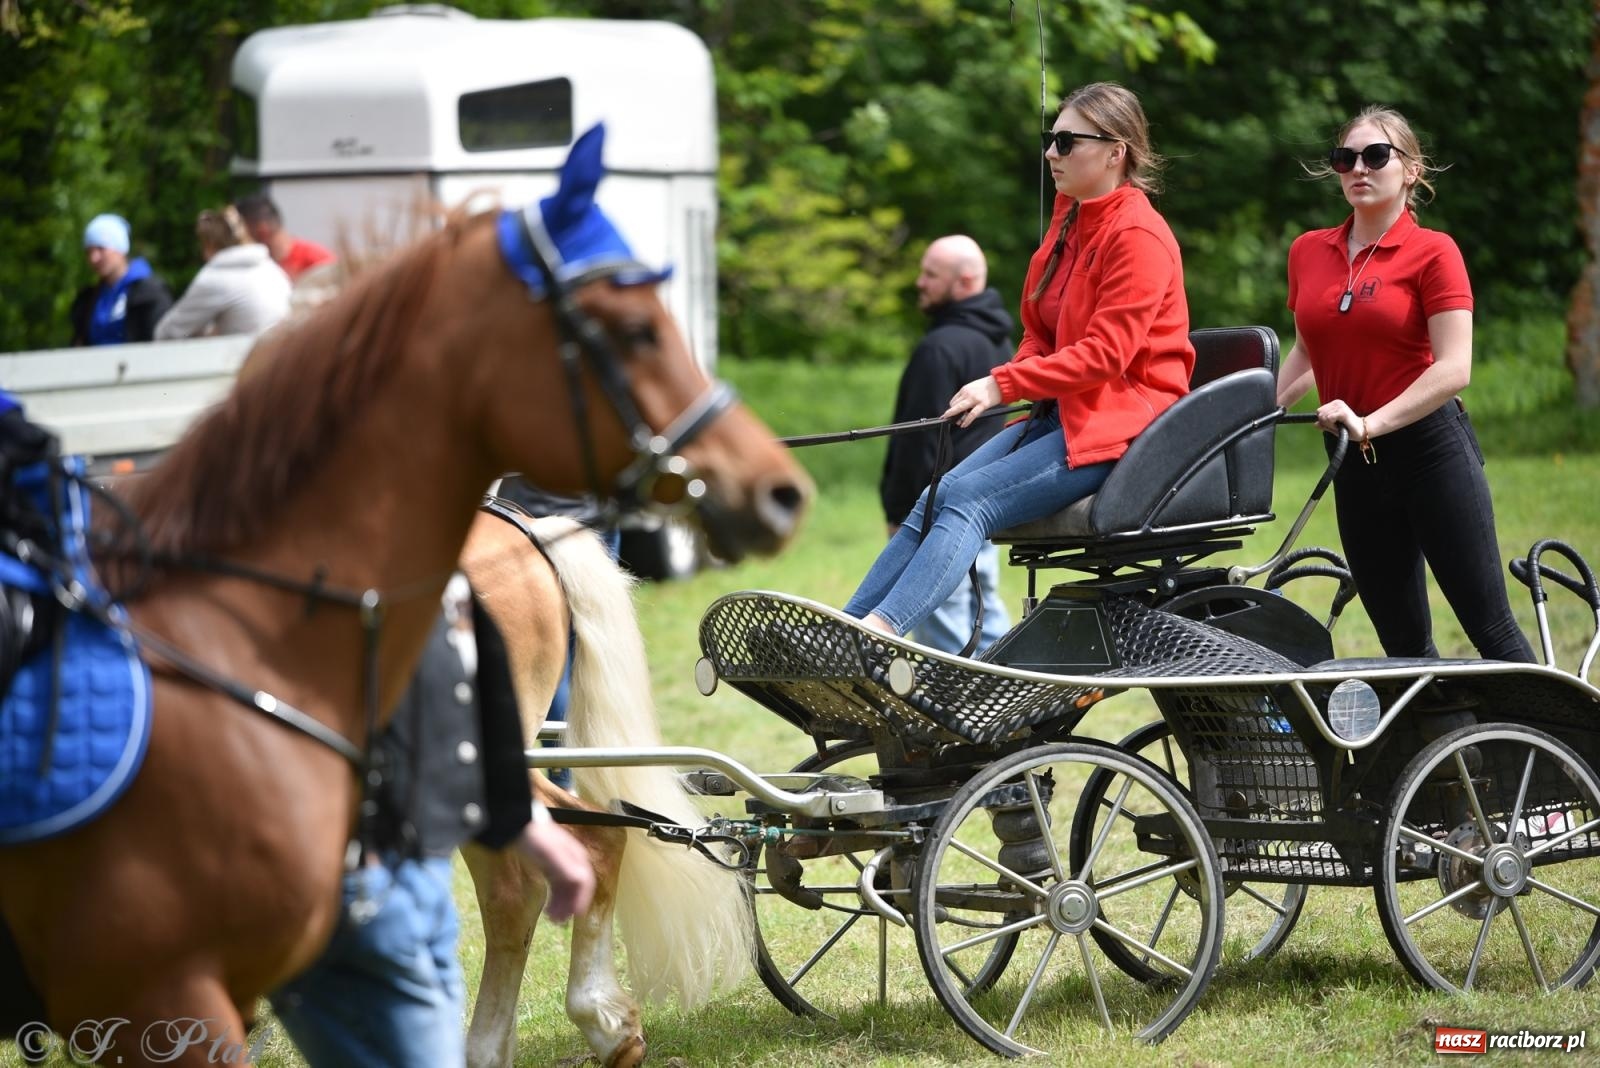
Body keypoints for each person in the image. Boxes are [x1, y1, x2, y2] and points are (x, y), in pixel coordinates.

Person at [844, 82, 1193, 640]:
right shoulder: (1067, 225)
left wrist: (1000, 385)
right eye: (1049, 140)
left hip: (1123, 425)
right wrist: (1011, 382)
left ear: (1115, 151)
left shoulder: (1139, 235)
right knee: (934, 496)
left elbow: (1106, 355)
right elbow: (1039, 334)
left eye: (1065, 141)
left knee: (968, 502)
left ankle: (878, 634)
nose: (1050, 153)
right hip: (1064, 414)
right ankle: (845, 627)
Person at [270, 580, 595, 1067]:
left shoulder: (424, 567)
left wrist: (518, 816)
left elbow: (460, 649)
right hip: (352, 878)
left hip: (421, 875)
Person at [1276, 105, 1535, 663]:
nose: (1358, 169)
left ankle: (1564, 749)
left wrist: (1370, 422)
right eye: (1345, 158)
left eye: (1376, 156)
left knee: (1490, 630)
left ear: (1411, 169)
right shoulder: (1307, 251)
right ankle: (1450, 751)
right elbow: (1307, 351)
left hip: (1429, 452)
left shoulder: (1434, 252)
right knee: (1403, 648)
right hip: (1352, 462)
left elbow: (1453, 369)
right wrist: (1251, 413)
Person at [879, 235, 1014, 653]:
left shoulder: (939, 349)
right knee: (985, 608)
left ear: (965, 281)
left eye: (931, 275)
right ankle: (1013, 695)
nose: (920, 282)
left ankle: (961, 710)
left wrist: (903, 512)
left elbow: (919, 439)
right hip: (986, 506)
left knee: (941, 627)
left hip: (938, 513)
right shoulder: (1000, 342)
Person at [153, 207, 292, 340]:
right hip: (281, 355)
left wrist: (205, 333)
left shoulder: (214, 278)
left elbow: (167, 333)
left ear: (209, 245)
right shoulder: (271, 269)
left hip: (250, 359)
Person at [68, 213, 173, 346]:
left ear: (120, 248)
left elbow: (162, 340)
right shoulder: (87, 300)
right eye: (89, 252)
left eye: (101, 249)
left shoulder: (150, 293)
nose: (93, 258)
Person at [234, 192, 337, 281]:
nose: (238, 237)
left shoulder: (318, 262)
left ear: (262, 230)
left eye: (242, 231)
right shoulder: (254, 266)